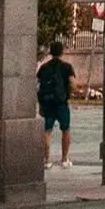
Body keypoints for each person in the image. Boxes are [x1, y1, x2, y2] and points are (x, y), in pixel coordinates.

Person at [36, 40, 75, 169]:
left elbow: (38, 84)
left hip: (47, 103)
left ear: (51, 52)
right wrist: (70, 92)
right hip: (61, 103)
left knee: (47, 131)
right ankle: (64, 159)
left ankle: (47, 160)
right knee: (65, 129)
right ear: (61, 52)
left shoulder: (44, 67)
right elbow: (71, 83)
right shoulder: (67, 67)